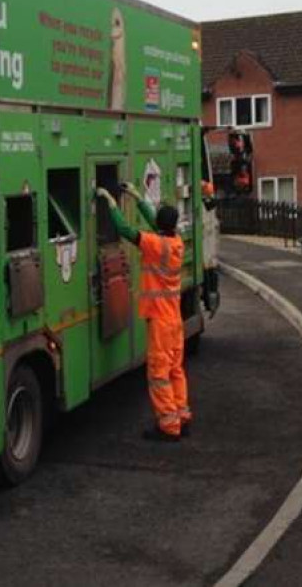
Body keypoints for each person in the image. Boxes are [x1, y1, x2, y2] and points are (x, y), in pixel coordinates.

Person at [96, 182, 190, 443]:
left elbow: (125, 230)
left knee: (159, 374)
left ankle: (168, 426)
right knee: (175, 370)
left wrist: (111, 202)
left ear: (160, 225)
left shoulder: (154, 244)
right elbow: (154, 221)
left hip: (160, 321)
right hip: (174, 319)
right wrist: (137, 196)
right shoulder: (175, 242)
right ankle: (182, 416)